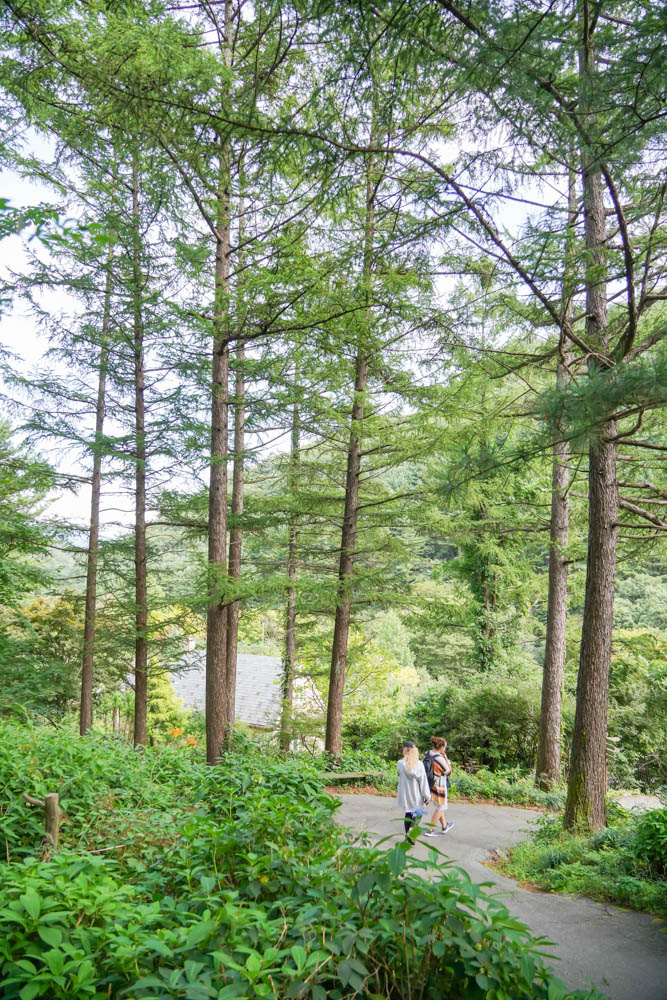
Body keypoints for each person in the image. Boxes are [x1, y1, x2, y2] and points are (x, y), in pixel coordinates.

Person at [397, 741, 430, 840]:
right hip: (416, 794)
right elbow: (423, 781)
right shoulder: (419, 765)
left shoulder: (400, 763)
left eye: (403, 748)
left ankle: (408, 835)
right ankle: (411, 832)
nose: (402, 750)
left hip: (405, 794)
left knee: (408, 813)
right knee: (418, 813)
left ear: (406, 749)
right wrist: (427, 796)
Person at [424, 736, 454, 836]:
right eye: (445, 747)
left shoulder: (427, 753)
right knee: (441, 807)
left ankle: (445, 826)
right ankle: (430, 829)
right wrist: (446, 759)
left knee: (439, 805)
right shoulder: (440, 758)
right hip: (439, 785)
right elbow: (448, 772)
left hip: (430, 783)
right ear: (441, 747)